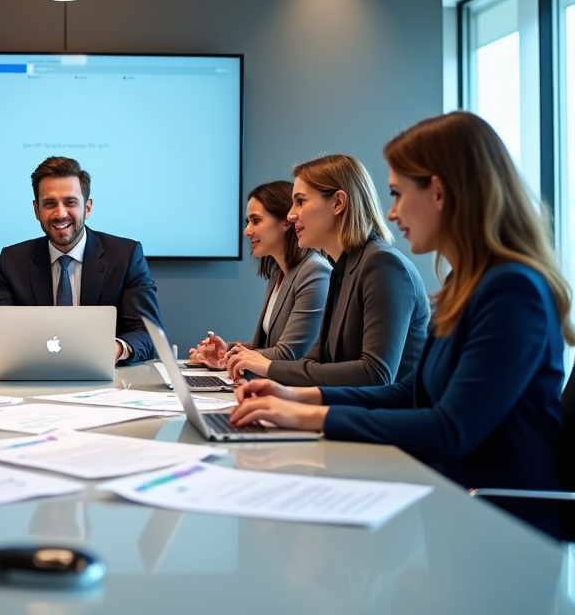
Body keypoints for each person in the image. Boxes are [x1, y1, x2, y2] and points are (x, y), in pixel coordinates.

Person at [229, 112, 573, 535]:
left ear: (440, 193)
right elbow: (411, 392)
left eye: (397, 194)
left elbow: (450, 428)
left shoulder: (512, 290)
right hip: (457, 508)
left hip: (504, 526)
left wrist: (307, 417)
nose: (390, 213)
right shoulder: (465, 285)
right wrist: (299, 398)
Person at [227, 155, 429, 387]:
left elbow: (376, 374)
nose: (291, 215)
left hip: (390, 420)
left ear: (338, 203)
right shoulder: (339, 267)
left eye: (300, 202)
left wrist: (269, 368)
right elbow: (316, 359)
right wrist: (277, 389)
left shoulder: (383, 264)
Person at [0, 156, 163, 364]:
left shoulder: (126, 256)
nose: (60, 213)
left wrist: (112, 349)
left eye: (70, 202)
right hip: (30, 379)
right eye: (49, 204)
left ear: (88, 208)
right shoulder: (13, 261)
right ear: (36, 210)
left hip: (108, 385)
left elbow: (149, 334)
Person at [189, 180, 331, 370]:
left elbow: (288, 354)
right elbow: (264, 348)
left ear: (286, 223)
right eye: (248, 222)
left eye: (256, 221)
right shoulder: (278, 276)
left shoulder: (315, 271)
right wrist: (224, 350)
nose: (247, 231)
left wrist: (229, 357)